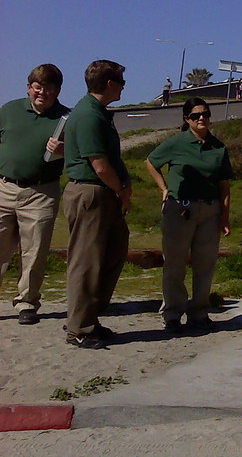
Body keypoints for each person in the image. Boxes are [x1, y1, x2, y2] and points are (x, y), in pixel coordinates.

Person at [145, 97, 232, 333]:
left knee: (205, 264)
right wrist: (164, 189)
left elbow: (224, 185)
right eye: (195, 116)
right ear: (187, 119)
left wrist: (224, 216)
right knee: (175, 263)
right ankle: (172, 314)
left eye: (205, 114)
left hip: (210, 211)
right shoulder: (176, 143)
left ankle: (199, 313)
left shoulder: (218, 147)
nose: (201, 118)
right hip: (179, 210)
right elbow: (151, 162)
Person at [62, 60, 131, 349]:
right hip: (91, 192)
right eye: (121, 82)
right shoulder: (89, 116)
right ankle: (79, 328)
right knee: (87, 262)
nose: (124, 87)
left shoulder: (99, 113)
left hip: (103, 193)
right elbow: (99, 164)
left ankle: (89, 315)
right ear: (110, 84)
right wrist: (121, 189)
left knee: (113, 251)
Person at [0, 64, 71, 325]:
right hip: (4, 187)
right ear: (29, 87)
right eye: (38, 87)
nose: (42, 93)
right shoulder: (9, 110)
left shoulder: (67, 118)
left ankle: (27, 302)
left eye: (49, 88)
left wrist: (65, 149)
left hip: (42, 191)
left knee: (35, 248)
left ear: (58, 91)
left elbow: (83, 152)